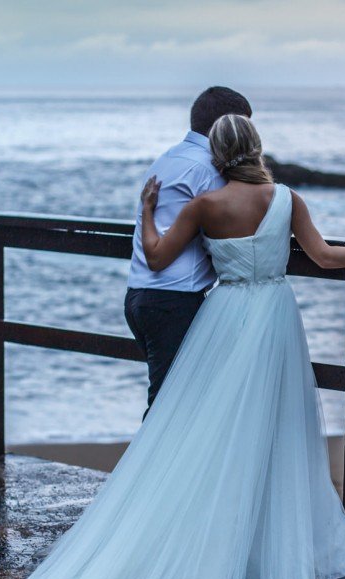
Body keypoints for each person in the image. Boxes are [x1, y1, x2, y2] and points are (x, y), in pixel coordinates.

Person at [0, 114, 345, 579]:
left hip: (222, 317)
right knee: (275, 431)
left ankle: (217, 547)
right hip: (273, 317)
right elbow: (323, 257)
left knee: (213, 431)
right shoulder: (287, 198)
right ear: (257, 147)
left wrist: (148, 210)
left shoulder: (204, 205)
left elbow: (156, 256)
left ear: (218, 155)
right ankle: (265, 551)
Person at [125, 86, 252, 418]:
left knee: (174, 399)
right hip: (174, 302)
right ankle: (146, 471)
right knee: (170, 409)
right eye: (243, 126)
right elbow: (232, 231)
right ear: (223, 127)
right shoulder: (207, 171)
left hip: (141, 296)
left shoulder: (168, 158)